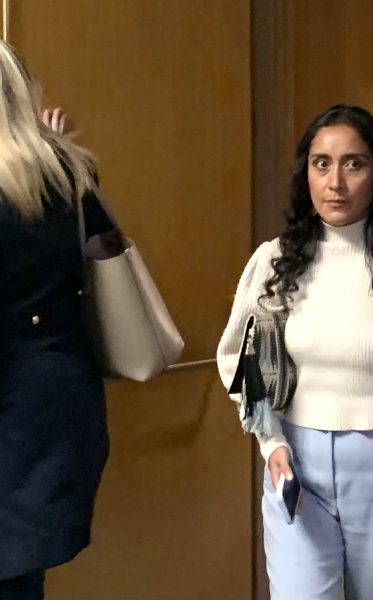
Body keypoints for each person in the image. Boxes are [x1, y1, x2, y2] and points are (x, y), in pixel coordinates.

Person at [217, 104, 373, 600]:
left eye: (354, 164)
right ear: (305, 174)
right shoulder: (275, 260)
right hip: (295, 465)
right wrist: (270, 440)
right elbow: (239, 358)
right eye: (322, 164)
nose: (335, 182)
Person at [0, 41, 115, 600]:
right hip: (53, 404)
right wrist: (55, 149)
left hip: (16, 404)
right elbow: (100, 255)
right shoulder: (69, 174)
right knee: (22, 575)